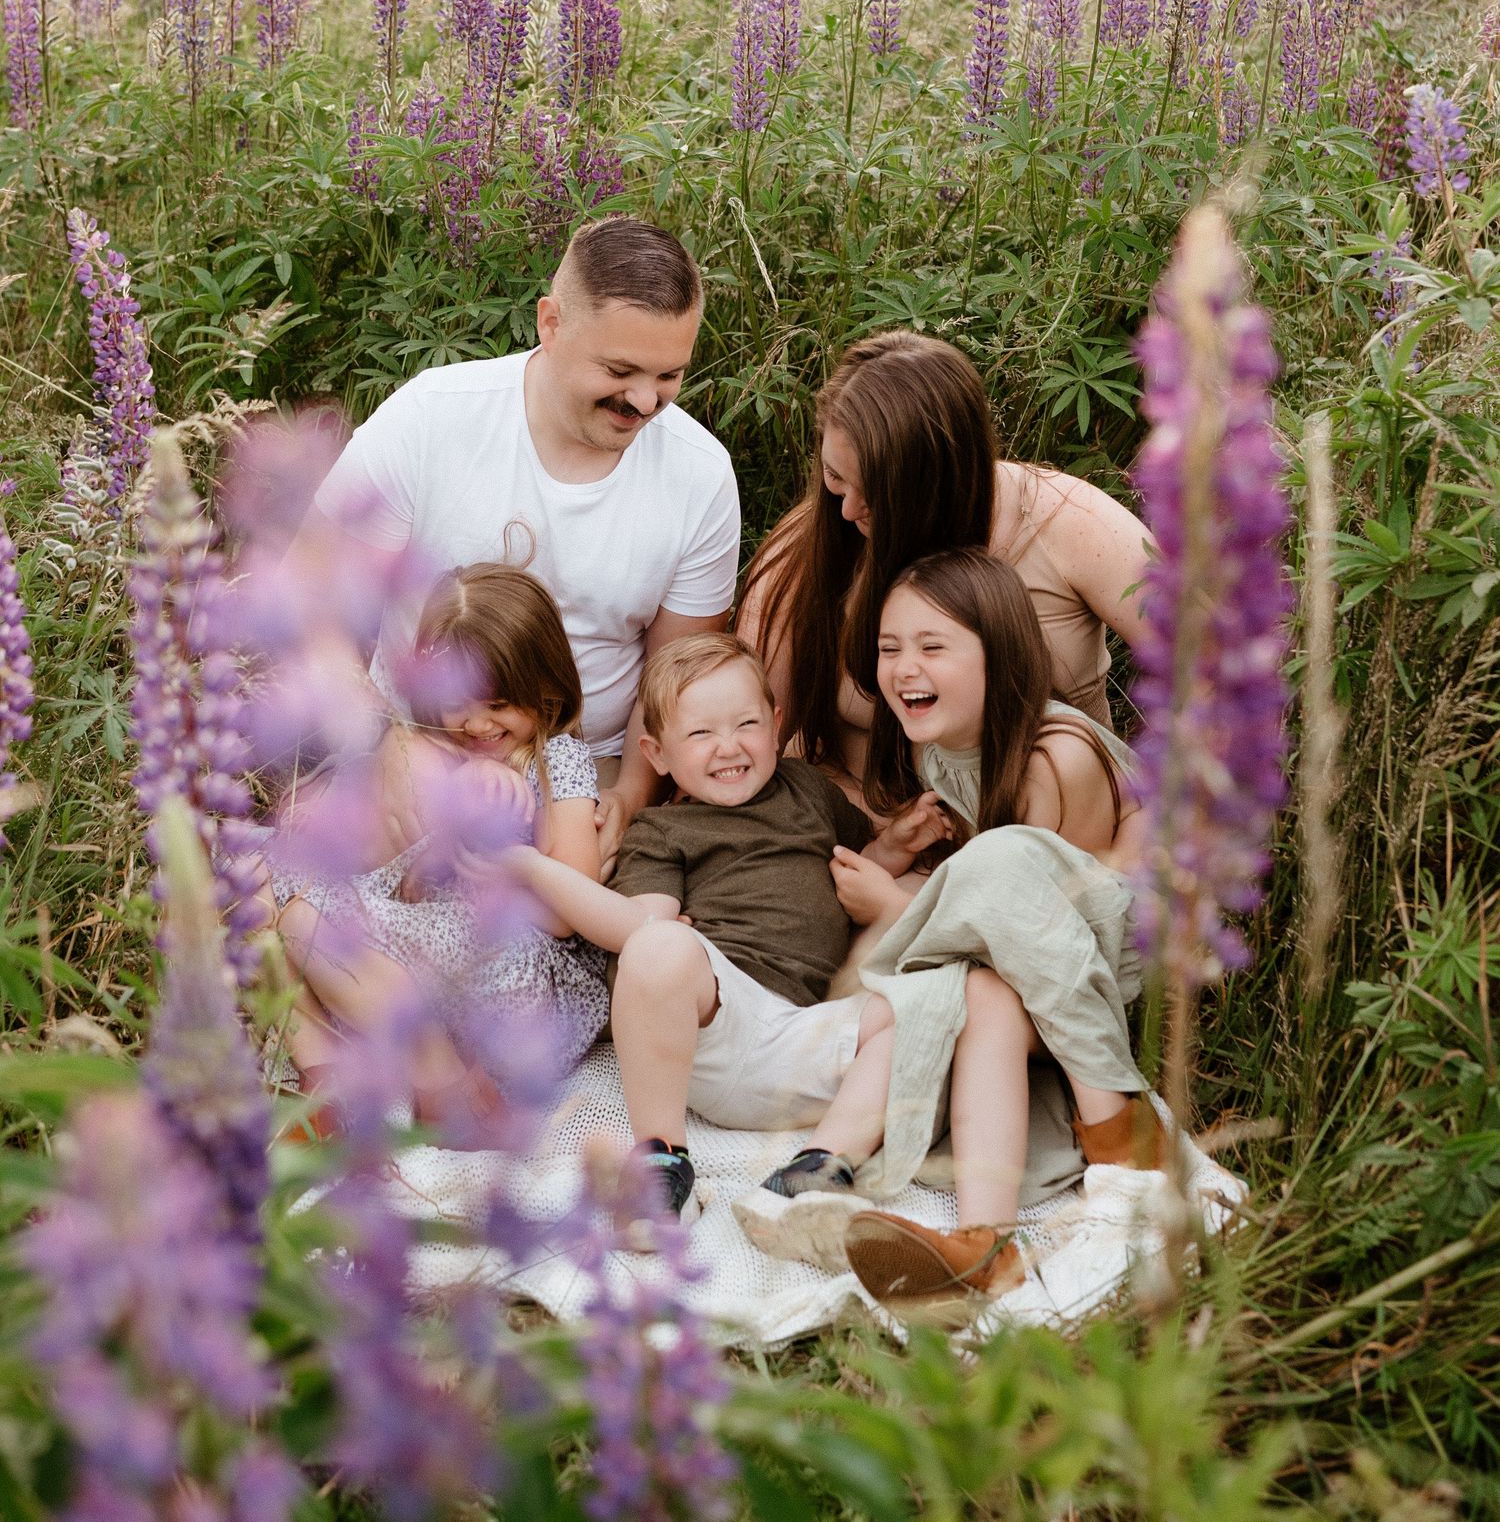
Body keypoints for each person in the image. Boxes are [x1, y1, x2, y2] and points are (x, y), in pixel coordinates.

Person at [736, 547, 1167, 1325]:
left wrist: (899, 908)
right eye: (889, 647)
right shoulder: (938, 749)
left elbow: (1050, 928)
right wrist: (903, 868)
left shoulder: (1056, 758)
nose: (905, 668)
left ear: (998, 654)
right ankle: (966, 1233)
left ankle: (1117, 1126)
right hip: (1014, 972)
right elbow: (993, 943)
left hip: (1099, 971)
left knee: (998, 873)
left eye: (932, 647)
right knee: (974, 993)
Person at [311, 218, 741, 862]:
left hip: (583, 769)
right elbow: (313, 602)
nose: (646, 401)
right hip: (417, 736)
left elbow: (674, 679)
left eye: (669, 375)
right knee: (320, 890)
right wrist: (383, 743)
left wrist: (628, 798)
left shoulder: (700, 476)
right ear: (551, 323)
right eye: (620, 370)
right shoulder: (433, 417)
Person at [502, 633, 945, 1227]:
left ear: (777, 725)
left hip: (813, 1035)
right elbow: (639, 930)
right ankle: (661, 1162)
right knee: (657, 945)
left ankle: (820, 1167)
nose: (728, 747)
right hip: (718, 1030)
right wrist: (531, 868)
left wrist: (895, 846)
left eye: (746, 724)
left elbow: (852, 868)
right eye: (701, 733)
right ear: (657, 754)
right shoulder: (663, 831)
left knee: (934, 999)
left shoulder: (808, 790)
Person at [270, 563, 611, 1135]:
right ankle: (326, 1081)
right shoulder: (434, 752)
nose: (476, 723)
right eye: (460, 703)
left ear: (545, 690)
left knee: (304, 926)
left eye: (498, 704)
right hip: (438, 961)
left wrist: (502, 862)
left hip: (519, 982)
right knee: (287, 911)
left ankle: (435, 1073)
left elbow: (569, 913)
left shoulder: (557, 762)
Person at [738, 330, 1153, 792]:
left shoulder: (1067, 520)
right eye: (835, 477)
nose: (849, 510)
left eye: (875, 493)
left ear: (938, 479)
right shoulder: (811, 545)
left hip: (1053, 819)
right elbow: (743, 728)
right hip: (860, 821)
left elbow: (1207, 670)